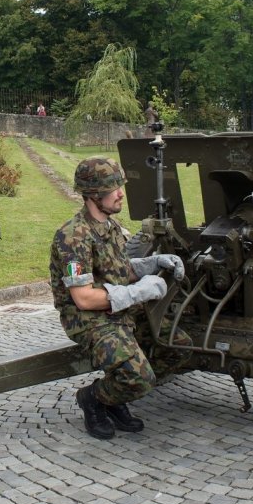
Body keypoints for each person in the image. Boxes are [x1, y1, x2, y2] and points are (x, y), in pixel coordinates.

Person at [51, 157, 190, 440]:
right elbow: (84, 299)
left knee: (179, 347)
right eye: (113, 188)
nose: (120, 193)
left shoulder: (111, 228)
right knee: (140, 378)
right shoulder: (72, 236)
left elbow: (120, 269)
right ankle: (94, 399)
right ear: (93, 194)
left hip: (120, 309)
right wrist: (140, 291)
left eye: (119, 186)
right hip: (90, 320)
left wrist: (153, 263)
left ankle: (117, 393)